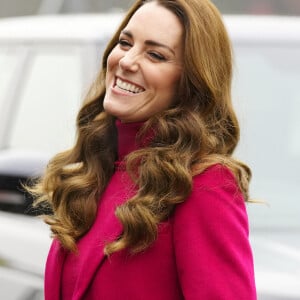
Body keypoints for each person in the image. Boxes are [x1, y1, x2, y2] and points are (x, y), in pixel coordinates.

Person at [31, 0, 257, 299]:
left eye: (155, 54)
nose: (127, 61)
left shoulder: (205, 184)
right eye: (125, 43)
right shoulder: (96, 172)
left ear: (190, 82)